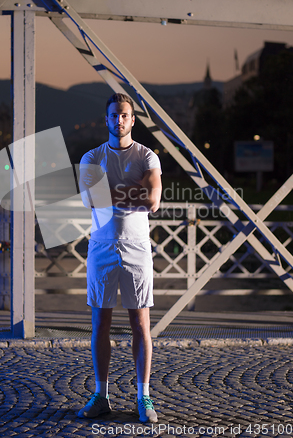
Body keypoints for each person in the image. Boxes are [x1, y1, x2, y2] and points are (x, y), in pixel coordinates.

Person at [78, 93, 162, 423]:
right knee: (100, 324)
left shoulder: (147, 156)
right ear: (106, 119)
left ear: (132, 119)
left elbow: (153, 200)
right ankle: (101, 395)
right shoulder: (92, 156)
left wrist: (112, 193)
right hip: (101, 246)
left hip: (137, 247)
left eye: (125, 115)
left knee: (141, 325)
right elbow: (90, 199)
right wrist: (134, 190)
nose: (119, 120)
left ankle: (144, 397)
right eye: (114, 115)